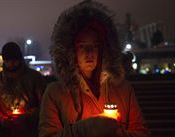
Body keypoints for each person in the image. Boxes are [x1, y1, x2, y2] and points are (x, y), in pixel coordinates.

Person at [39, 1, 150, 137]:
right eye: (82, 46)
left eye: (95, 46)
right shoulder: (55, 93)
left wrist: (117, 134)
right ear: (70, 50)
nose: (89, 53)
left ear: (104, 49)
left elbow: (142, 133)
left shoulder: (123, 89)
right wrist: (85, 129)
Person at [0, 42, 46, 137]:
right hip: (5, 132)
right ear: (4, 61)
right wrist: (1, 120)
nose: (11, 64)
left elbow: (44, 104)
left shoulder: (35, 78)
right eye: (7, 61)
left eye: (14, 60)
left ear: (20, 59)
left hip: (30, 131)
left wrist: (27, 117)